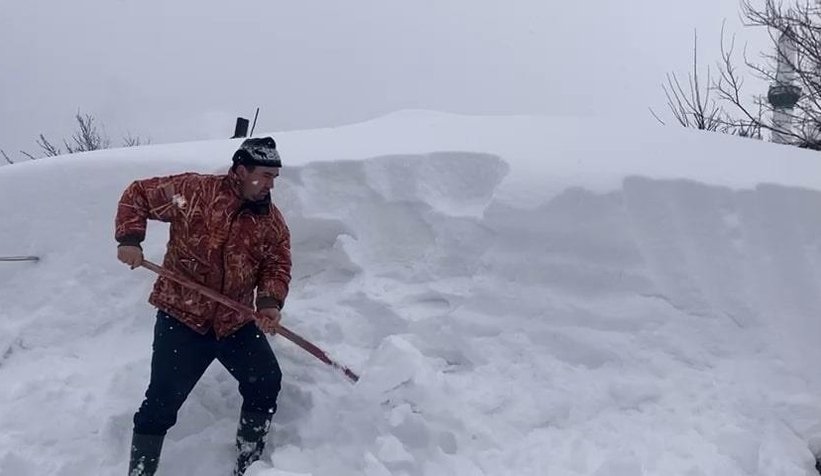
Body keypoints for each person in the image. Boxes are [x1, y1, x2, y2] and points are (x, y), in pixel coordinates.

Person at [115, 137, 292, 476]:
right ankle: (140, 471)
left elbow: (276, 264)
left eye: (275, 177)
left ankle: (248, 465)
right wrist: (130, 240)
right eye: (266, 175)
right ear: (242, 170)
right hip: (183, 318)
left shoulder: (270, 221)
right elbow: (139, 195)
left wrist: (269, 302)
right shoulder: (191, 194)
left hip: (235, 321)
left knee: (266, 381)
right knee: (161, 402)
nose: (271, 184)